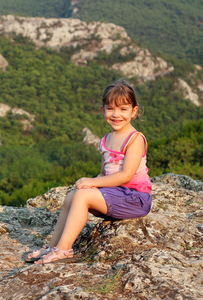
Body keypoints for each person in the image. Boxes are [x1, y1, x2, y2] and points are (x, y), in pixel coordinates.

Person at [26, 79, 152, 264]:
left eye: (123, 109)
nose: (116, 114)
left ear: (134, 112)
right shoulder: (106, 140)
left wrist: (91, 183)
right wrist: (89, 183)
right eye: (110, 109)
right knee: (73, 196)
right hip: (116, 195)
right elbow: (104, 174)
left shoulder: (135, 139)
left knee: (82, 196)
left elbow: (125, 175)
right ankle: (53, 246)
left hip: (135, 199)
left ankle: (64, 251)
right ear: (103, 110)